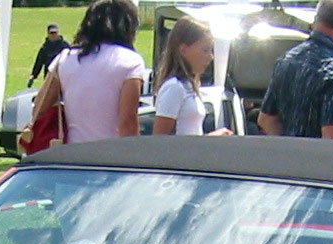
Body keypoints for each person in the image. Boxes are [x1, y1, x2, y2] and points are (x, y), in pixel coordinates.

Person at [27, 0, 147, 145]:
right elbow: (127, 122)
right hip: (110, 155)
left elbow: (40, 108)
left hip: (72, 154)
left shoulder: (65, 58)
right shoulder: (131, 61)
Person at [258, 0, 333, 139]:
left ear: (316, 21)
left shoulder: (287, 60)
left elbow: (266, 119)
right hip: (316, 160)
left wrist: (291, 147)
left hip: (286, 157)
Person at [152, 16, 214, 135]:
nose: (211, 57)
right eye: (205, 50)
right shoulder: (174, 87)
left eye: (211, 50)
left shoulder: (188, 86)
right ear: (184, 50)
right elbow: (159, 140)